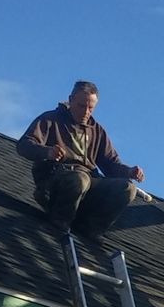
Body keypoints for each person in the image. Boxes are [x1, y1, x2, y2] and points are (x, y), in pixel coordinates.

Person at [16, 81, 149, 237]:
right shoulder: (51, 119)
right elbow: (24, 145)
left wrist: (129, 172)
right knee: (80, 179)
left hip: (88, 183)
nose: (86, 112)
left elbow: (110, 164)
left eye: (90, 108)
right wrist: (48, 152)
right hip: (55, 181)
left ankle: (91, 229)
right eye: (81, 106)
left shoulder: (97, 131)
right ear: (70, 100)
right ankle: (60, 222)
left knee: (127, 188)